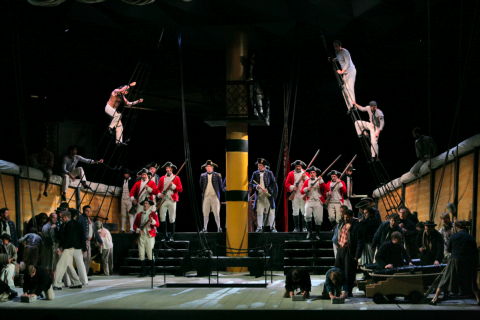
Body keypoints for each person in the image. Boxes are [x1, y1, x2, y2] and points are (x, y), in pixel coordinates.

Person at [430, 221, 480, 305]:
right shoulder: (470, 237)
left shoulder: (454, 236)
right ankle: (478, 299)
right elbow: (474, 251)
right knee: (472, 281)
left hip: (455, 260)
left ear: (456, 227)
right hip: (468, 261)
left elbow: (449, 249)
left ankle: (434, 299)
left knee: (445, 279)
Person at [53, 210, 86, 290]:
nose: (61, 219)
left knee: (60, 265)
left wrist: (61, 248)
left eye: (62, 218)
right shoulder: (70, 224)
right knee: (68, 265)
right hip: (71, 247)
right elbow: (82, 236)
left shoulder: (69, 225)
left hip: (68, 247)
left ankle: (57, 284)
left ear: (66, 217)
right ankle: (76, 282)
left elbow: (68, 238)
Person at [334, 209, 364, 297]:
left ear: (351, 216)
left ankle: (348, 291)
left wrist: (357, 255)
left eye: (347, 217)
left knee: (348, 272)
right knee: (338, 270)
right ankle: (339, 290)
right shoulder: (343, 223)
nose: (346, 219)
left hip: (349, 250)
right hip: (341, 249)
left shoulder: (356, 225)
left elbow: (360, 241)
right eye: (344, 217)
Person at [249, 158, 278, 232]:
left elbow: (273, 184)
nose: (259, 166)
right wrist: (256, 186)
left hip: (268, 195)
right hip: (259, 196)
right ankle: (259, 227)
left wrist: (268, 190)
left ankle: (272, 227)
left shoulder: (269, 173)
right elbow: (251, 183)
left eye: (260, 165)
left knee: (271, 211)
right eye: (258, 165)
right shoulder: (255, 173)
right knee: (259, 211)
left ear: (264, 166)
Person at [157, 162, 183, 241]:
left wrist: (174, 186)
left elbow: (180, 189)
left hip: (172, 200)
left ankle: (172, 235)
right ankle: (164, 235)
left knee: (172, 218)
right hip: (164, 200)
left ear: (172, 169)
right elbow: (158, 189)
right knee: (162, 217)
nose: (168, 169)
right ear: (166, 169)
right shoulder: (161, 178)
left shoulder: (176, 178)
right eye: (167, 168)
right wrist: (159, 194)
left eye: (170, 168)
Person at [133, 200, 160, 277]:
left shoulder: (153, 214)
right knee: (141, 254)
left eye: (146, 203)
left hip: (149, 236)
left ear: (149, 205)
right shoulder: (139, 214)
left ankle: (152, 271)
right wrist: (137, 230)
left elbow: (157, 224)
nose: (145, 205)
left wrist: (152, 221)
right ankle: (143, 272)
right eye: (144, 203)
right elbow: (135, 225)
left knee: (150, 254)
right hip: (141, 236)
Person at [284, 160, 309, 232]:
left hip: (303, 195)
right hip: (295, 195)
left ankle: (304, 227)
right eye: (297, 166)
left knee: (304, 211)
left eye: (299, 166)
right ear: (295, 166)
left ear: (301, 166)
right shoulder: (291, 173)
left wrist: (305, 178)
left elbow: (309, 182)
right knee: (295, 211)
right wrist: (292, 187)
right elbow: (287, 184)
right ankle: (296, 228)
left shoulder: (305, 173)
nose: (298, 167)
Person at [199, 160, 224, 232]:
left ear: (212, 167)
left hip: (214, 196)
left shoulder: (217, 175)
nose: (208, 168)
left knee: (216, 213)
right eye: (207, 167)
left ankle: (219, 227)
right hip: (206, 197)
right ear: (205, 168)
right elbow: (201, 186)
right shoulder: (202, 175)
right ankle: (205, 228)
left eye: (210, 166)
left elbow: (220, 186)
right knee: (205, 213)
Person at [78, 205, 103, 276]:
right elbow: (79, 231)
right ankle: (82, 275)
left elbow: (95, 231)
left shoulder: (91, 221)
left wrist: (100, 241)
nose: (88, 212)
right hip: (83, 241)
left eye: (89, 211)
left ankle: (85, 274)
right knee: (83, 258)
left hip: (88, 242)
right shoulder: (81, 218)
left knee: (88, 259)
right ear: (84, 211)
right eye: (87, 211)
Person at [300, 166, 324, 240]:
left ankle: (317, 234)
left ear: (316, 173)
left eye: (313, 172)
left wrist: (321, 181)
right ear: (309, 174)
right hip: (309, 200)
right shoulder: (307, 181)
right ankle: (309, 232)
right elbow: (301, 191)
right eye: (311, 173)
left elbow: (324, 189)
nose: (312, 174)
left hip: (318, 201)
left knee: (319, 219)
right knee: (307, 216)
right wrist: (307, 188)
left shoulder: (319, 180)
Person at [333, 40, 356, 109]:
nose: (335, 47)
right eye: (334, 46)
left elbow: (347, 63)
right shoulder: (337, 52)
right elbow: (340, 58)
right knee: (344, 89)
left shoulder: (345, 51)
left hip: (350, 71)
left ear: (340, 46)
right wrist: (335, 59)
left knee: (350, 87)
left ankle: (353, 105)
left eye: (337, 46)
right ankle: (349, 106)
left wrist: (342, 71)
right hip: (345, 72)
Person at [0, 233, 18, 299]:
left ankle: (11, 291)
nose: (3, 241)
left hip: (11, 264)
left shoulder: (12, 246)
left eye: (4, 239)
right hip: (5, 264)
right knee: (2, 277)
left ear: (7, 240)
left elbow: (15, 255)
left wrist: (11, 259)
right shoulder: (1, 246)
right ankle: (4, 291)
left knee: (8, 276)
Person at [120, 168, 135, 233]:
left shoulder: (132, 181)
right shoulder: (123, 181)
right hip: (123, 199)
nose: (126, 175)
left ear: (129, 174)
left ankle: (131, 228)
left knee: (131, 214)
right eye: (125, 174)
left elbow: (134, 190)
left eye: (127, 174)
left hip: (129, 199)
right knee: (123, 214)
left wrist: (133, 198)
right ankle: (122, 229)